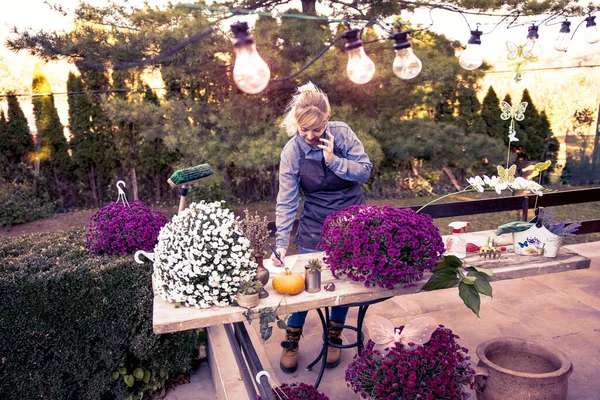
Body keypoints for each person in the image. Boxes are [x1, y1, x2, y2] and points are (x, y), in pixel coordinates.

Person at [271, 82, 372, 373]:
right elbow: (287, 200)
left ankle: (334, 335)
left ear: (326, 119)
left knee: (344, 281)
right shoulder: (291, 152)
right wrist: (281, 243)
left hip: (352, 221)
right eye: (304, 130)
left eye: (316, 129)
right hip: (315, 224)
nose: (311, 136)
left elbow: (364, 170)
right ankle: (292, 340)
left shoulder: (342, 134)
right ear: (296, 124)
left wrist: (334, 160)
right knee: (304, 287)